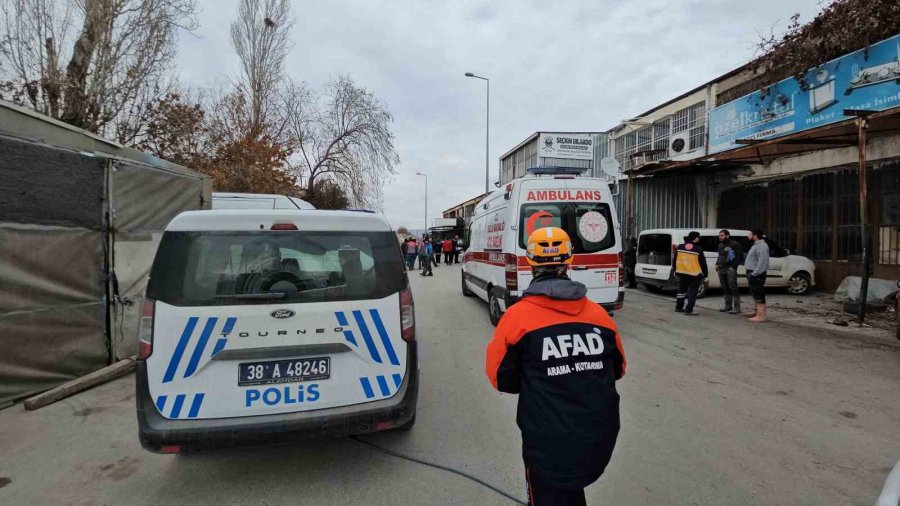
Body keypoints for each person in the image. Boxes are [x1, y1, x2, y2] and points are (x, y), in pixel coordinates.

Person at [485, 227, 626, 506]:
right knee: (571, 491)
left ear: (530, 262)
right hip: (598, 436)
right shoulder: (599, 315)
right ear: (569, 260)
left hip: (548, 442)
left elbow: (500, 378)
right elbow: (618, 369)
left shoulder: (517, 318)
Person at [674, 231, 708, 315]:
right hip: (694, 274)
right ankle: (689, 310)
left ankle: (678, 307)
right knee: (692, 292)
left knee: (681, 291)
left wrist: (675, 269)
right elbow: (703, 263)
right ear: (696, 238)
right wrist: (705, 274)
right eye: (698, 237)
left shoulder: (680, 247)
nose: (699, 239)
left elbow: (675, 259)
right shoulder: (698, 249)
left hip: (682, 272)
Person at [745, 229, 770, 322]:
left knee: (758, 293)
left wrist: (755, 273)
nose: (748, 236)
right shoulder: (756, 245)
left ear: (755, 236)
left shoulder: (762, 246)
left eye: (750, 234)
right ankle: (757, 312)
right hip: (753, 272)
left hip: (757, 274)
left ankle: (761, 315)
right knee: (754, 293)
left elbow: (762, 261)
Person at [716, 230, 743, 314]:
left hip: (730, 268)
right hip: (721, 268)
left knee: (733, 287)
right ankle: (728, 306)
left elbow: (739, 256)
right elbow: (720, 255)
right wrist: (717, 264)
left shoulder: (735, 244)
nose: (720, 237)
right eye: (719, 235)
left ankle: (737, 308)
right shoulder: (720, 245)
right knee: (724, 287)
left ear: (727, 236)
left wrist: (733, 267)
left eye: (722, 235)